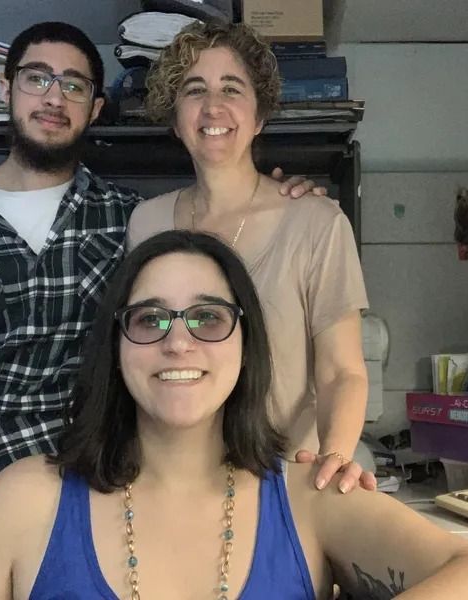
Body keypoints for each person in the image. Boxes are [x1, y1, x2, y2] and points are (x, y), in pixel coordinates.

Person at [0, 21, 324, 600]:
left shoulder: (130, 221)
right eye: (38, 78)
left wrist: (283, 194)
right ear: (7, 91)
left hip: (64, 488)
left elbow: (217, 235)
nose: (54, 97)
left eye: (75, 85)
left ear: (97, 107)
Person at [0, 230, 468, 600]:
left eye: (208, 317)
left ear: (244, 343)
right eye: (149, 319)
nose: (178, 342)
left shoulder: (310, 494)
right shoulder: (24, 497)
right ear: (114, 350)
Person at [128, 21, 373, 494]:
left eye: (231, 89)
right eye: (194, 90)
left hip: (276, 480)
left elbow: (341, 370)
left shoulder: (317, 223)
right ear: (176, 120)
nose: (212, 106)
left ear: (259, 116)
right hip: (167, 483)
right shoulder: (146, 224)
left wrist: (334, 458)